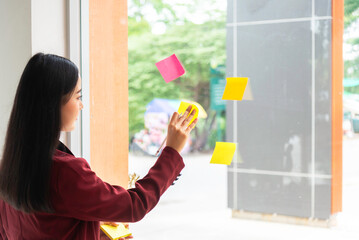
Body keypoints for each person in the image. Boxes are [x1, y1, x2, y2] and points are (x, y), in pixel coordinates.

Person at [0, 53, 198, 239]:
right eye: (78, 97)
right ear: (52, 103)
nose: (81, 105)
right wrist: (171, 152)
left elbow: (40, 226)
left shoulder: (10, 166)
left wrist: (91, 228)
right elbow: (134, 205)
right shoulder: (65, 171)